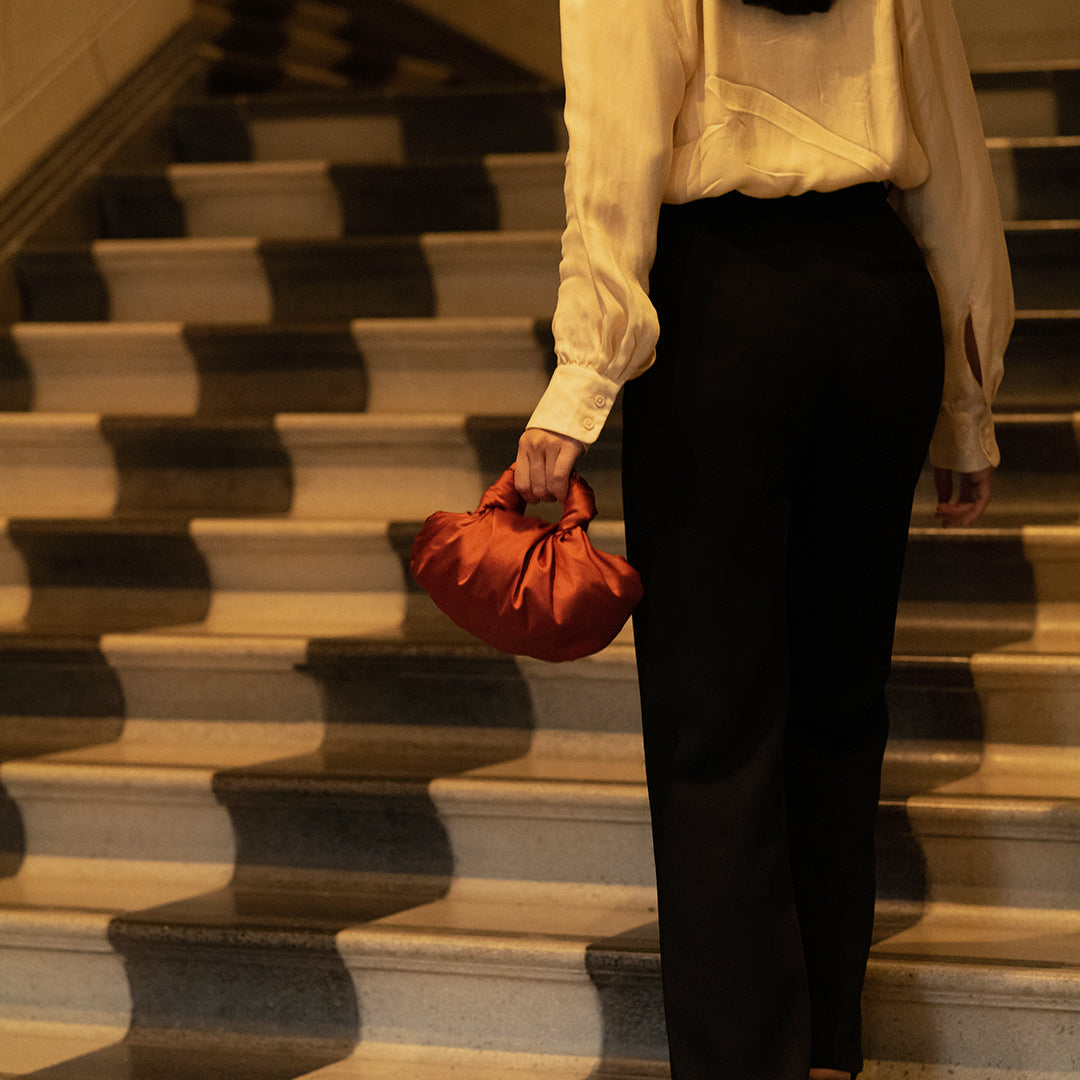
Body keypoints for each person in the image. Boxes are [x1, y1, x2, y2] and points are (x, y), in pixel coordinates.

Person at [515, 0, 1013, 1076]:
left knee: (717, 725)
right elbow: (955, 160)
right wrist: (967, 396)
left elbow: (615, 154)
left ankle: (751, 1063)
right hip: (878, 305)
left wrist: (578, 383)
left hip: (723, 320)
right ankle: (826, 1048)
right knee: (838, 709)